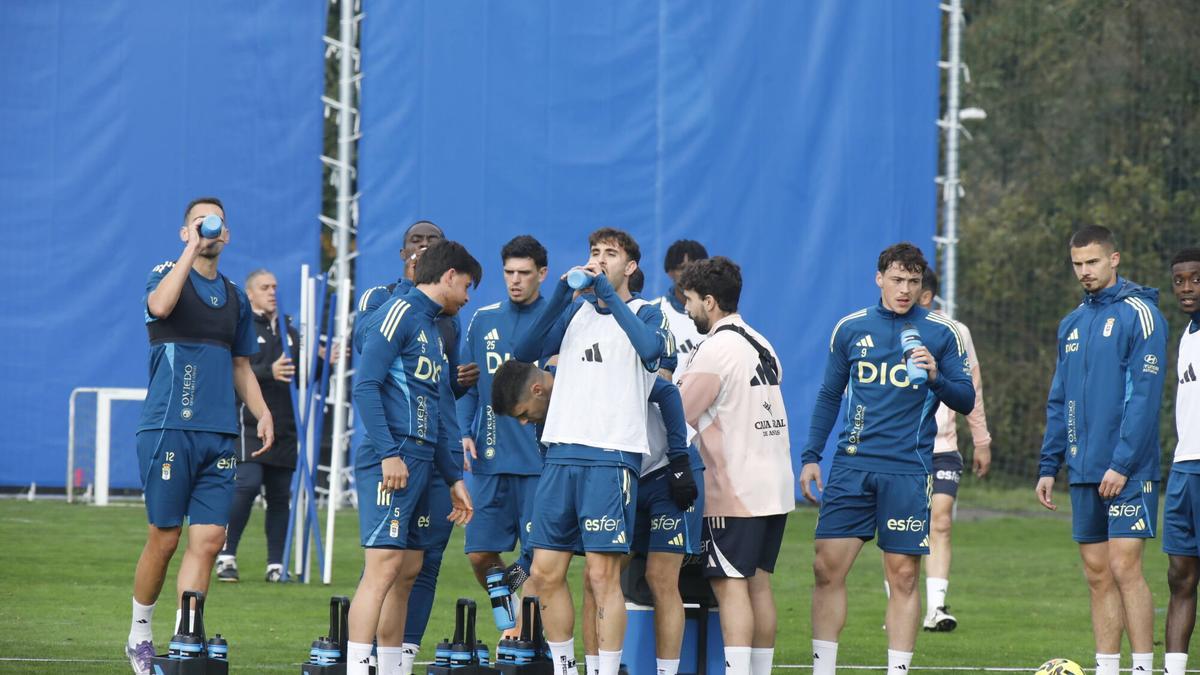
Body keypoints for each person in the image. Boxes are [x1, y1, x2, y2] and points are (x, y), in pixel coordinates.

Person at [800, 243, 974, 675]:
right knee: (826, 568)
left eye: (914, 282)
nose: (905, 289)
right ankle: (824, 669)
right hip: (852, 466)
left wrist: (935, 375)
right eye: (897, 280)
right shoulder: (850, 328)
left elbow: (966, 398)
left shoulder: (941, 333)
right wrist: (810, 456)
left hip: (909, 470)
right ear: (879, 278)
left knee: (903, 576)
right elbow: (828, 395)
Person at [512, 227, 673, 675]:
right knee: (543, 574)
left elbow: (650, 352)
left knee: (603, 577)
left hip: (611, 455)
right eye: (594, 252)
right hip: (562, 452)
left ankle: (606, 669)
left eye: (611, 254)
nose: (600, 259)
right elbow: (523, 351)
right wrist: (563, 295)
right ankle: (565, 667)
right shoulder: (575, 312)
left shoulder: (649, 312)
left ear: (631, 266)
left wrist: (608, 295)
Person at [125, 197, 275, 675]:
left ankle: (184, 637)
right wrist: (191, 249)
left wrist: (262, 411)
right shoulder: (166, 272)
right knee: (165, 538)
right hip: (169, 426)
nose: (210, 229)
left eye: (216, 224)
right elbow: (159, 305)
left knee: (209, 539)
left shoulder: (233, 295)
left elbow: (240, 365)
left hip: (219, 433)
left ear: (227, 234)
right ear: (184, 230)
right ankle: (140, 634)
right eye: (199, 222)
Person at [1035, 226, 1166, 675]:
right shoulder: (1071, 323)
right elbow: (1059, 398)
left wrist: (1122, 463)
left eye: (1092, 262)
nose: (1084, 271)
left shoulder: (1141, 313)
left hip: (1128, 470)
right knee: (1097, 575)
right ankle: (1107, 667)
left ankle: (1143, 668)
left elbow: (1145, 399)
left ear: (1114, 259)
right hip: (1084, 470)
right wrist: (1049, 465)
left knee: (1125, 567)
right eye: (1077, 264)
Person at [347, 240, 478, 675]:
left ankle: (391, 668)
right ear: (449, 276)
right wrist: (388, 454)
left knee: (409, 569)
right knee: (382, 567)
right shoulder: (399, 312)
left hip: (424, 462)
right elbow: (365, 387)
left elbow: (440, 412)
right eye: (468, 285)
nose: (467, 295)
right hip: (394, 458)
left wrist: (454, 477)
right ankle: (355, 666)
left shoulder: (435, 329)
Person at [676, 256, 792, 675]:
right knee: (759, 585)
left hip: (735, 490)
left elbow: (679, 413)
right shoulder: (762, 342)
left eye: (689, 301)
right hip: (775, 486)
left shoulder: (714, 349)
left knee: (730, 588)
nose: (687, 310)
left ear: (709, 301)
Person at [456, 236, 548, 604]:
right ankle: (507, 605)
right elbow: (468, 384)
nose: (515, 280)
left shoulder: (558, 320)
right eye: (509, 272)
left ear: (541, 274)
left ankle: (521, 632)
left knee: (536, 560)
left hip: (540, 464)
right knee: (478, 553)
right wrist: (463, 432)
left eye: (524, 273)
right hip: (491, 462)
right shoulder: (484, 319)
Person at [915, 268, 992, 632]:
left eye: (911, 286)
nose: (902, 293)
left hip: (944, 447)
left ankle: (937, 607)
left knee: (940, 520)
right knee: (905, 528)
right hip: (904, 449)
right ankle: (902, 604)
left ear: (926, 296)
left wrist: (982, 440)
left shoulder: (957, 333)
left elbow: (972, 386)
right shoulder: (887, 330)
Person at [216, 268, 298, 584]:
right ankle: (226, 555)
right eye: (265, 287)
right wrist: (268, 370)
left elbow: (301, 375)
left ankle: (275, 564)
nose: (272, 291)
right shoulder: (244, 325)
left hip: (286, 425)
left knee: (280, 496)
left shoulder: (290, 331)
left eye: (275, 286)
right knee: (247, 484)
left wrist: (323, 361)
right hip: (250, 423)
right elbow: (237, 370)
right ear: (250, 293)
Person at [1165, 247, 1200, 675]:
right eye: (1179, 280)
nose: (1186, 287)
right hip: (1183, 466)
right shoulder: (1186, 337)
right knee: (1179, 576)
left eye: (1194, 278)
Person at [653, 240, 708, 379]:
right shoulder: (653, 311)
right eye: (681, 268)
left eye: (693, 267)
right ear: (669, 272)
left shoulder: (718, 312)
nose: (688, 274)